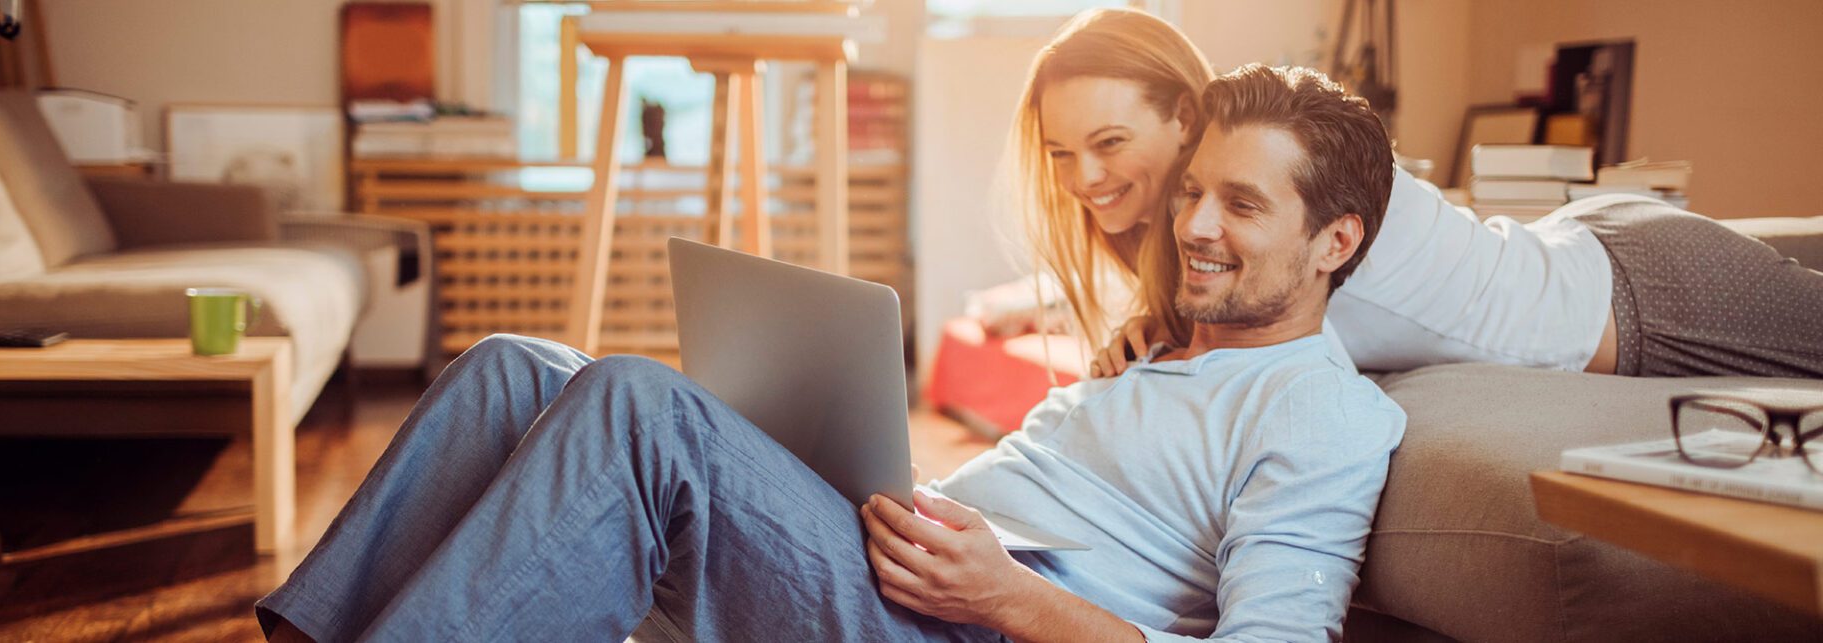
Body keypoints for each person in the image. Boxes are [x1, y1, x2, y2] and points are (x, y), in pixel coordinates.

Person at [256, 65, 1405, 642]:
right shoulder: (1164, 349)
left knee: (641, 409)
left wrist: (1008, 595)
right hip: (910, 559)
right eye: (1193, 191)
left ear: (1334, 240)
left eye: (1241, 207)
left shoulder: (1327, 414)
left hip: (967, 627)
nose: (1194, 224)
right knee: (511, 365)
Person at [1018, 9, 1823, 380]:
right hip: (1578, 243)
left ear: (1187, 115)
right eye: (1061, 153)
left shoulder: (1294, 182)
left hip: (1641, 293)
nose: (1085, 179)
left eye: (1110, 143)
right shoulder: (1205, 237)